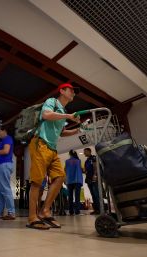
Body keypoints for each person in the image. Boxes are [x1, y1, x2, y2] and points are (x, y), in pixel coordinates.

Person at [27, 83, 81, 230]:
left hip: (52, 147)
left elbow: (61, 132)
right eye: (71, 90)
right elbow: (46, 115)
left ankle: (44, 211)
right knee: (37, 181)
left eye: (74, 92)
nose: (73, 94)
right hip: (40, 143)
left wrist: (77, 130)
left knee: (60, 177)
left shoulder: (63, 110)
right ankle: (32, 217)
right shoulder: (52, 102)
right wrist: (68, 116)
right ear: (62, 91)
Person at [65, 150, 83, 215]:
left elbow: (65, 170)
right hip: (77, 180)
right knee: (77, 197)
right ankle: (77, 211)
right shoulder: (78, 161)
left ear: (69, 154)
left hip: (69, 181)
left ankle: (71, 211)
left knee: (70, 197)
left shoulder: (67, 161)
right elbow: (81, 169)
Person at [83, 148, 100, 215]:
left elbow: (95, 166)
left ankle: (100, 209)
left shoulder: (93, 158)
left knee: (96, 194)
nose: (84, 153)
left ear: (89, 151)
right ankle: (96, 209)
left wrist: (95, 175)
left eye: (85, 152)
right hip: (88, 179)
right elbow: (86, 170)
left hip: (93, 178)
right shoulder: (86, 161)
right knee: (93, 194)